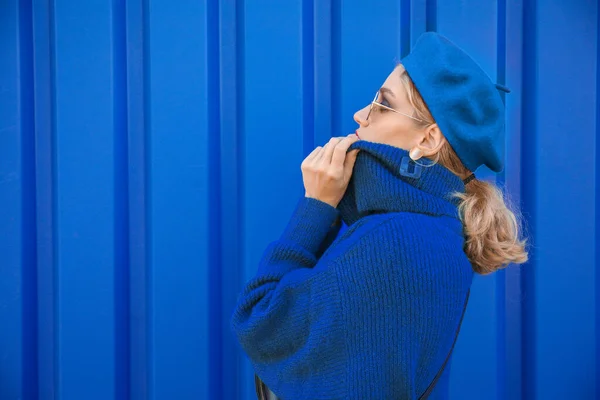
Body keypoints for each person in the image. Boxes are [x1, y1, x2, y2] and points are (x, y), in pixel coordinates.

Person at [230, 32, 529, 399]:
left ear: (428, 139)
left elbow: (258, 322)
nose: (361, 114)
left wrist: (316, 206)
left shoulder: (392, 239)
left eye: (383, 103)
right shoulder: (435, 231)